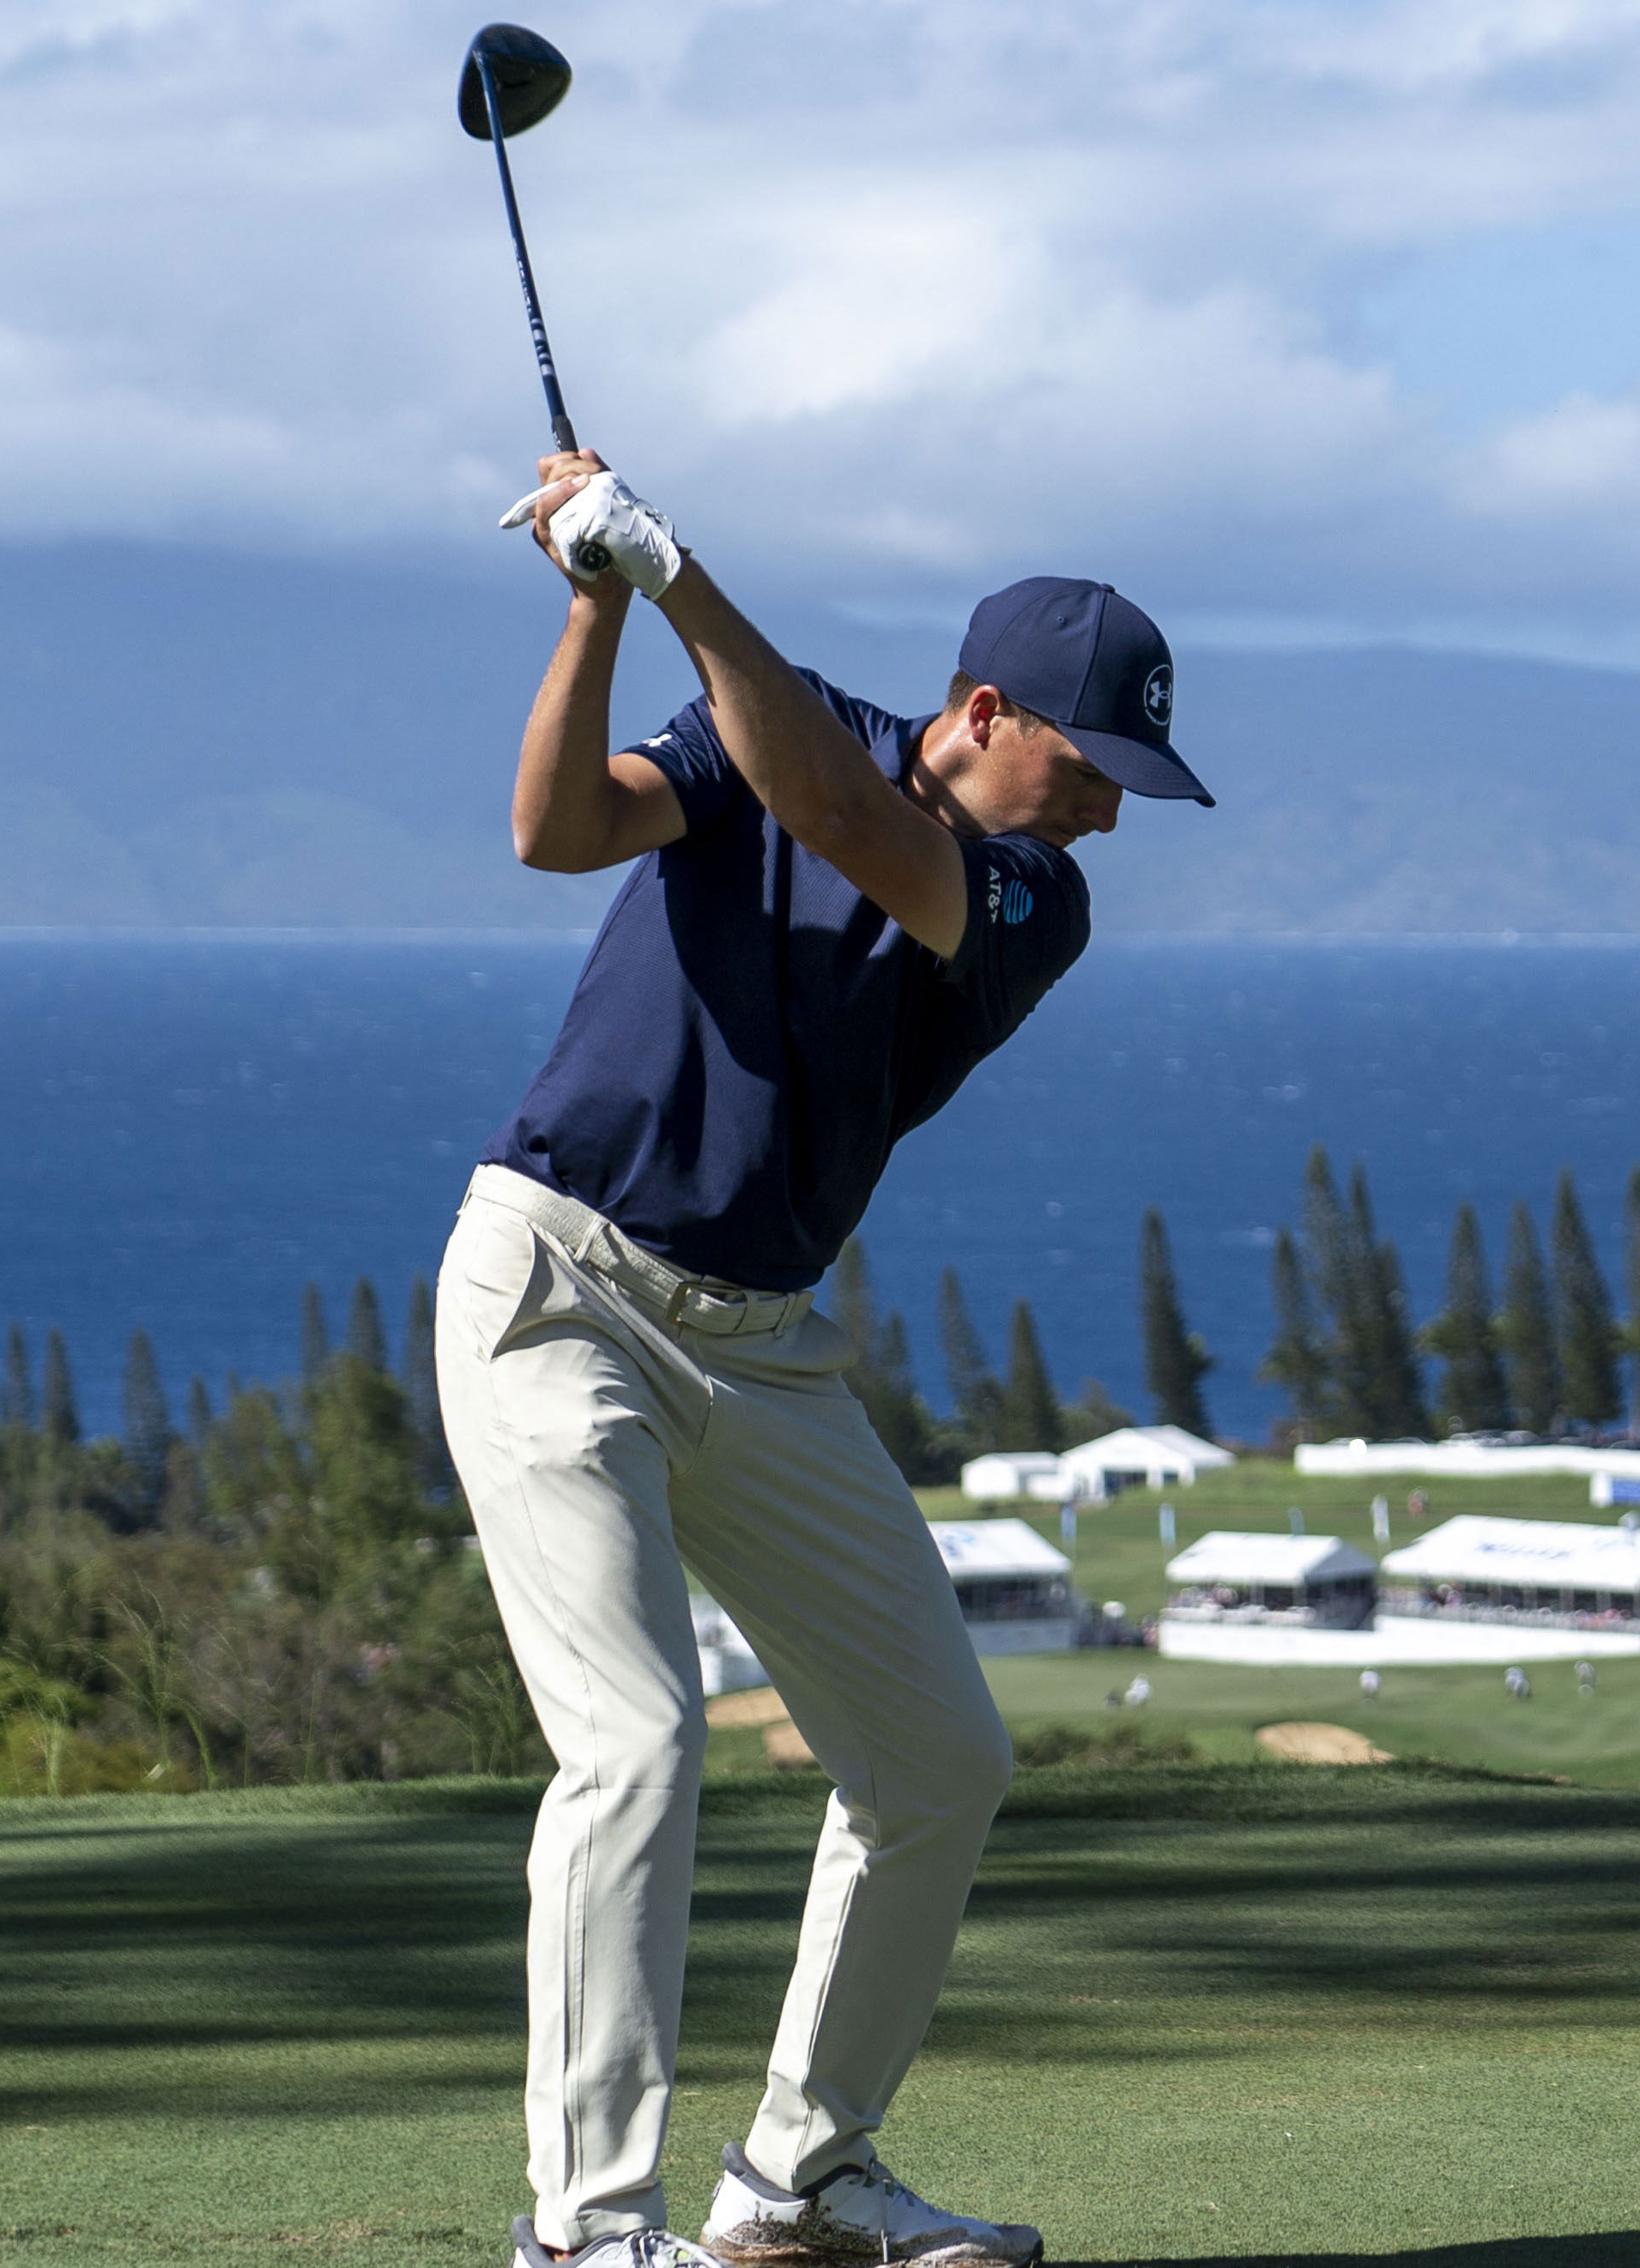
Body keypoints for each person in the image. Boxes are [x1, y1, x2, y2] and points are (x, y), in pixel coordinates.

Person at [435, 453, 1209, 2268]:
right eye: (1090, 769)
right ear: (985, 712)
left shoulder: (1028, 901)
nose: (1103, 815)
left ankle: (800, 2180)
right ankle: (588, 2233)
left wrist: (679, 572)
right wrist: (599, 599)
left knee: (938, 1756)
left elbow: (856, 826)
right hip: (557, 1289)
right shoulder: (756, 728)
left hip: (760, 1353)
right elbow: (555, 830)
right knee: (633, 1747)